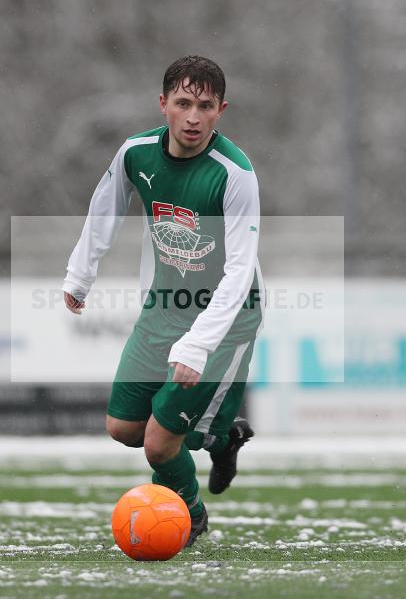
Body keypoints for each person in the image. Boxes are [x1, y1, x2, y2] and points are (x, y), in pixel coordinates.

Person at [62, 55, 263, 548]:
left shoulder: (234, 174)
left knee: (158, 442)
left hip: (227, 317)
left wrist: (198, 345)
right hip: (164, 306)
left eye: (206, 106)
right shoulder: (136, 153)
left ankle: (189, 517)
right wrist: (80, 274)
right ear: (163, 104)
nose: (194, 117)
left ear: (221, 111)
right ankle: (218, 436)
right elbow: (105, 204)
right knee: (124, 428)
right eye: (183, 103)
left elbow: (239, 271)